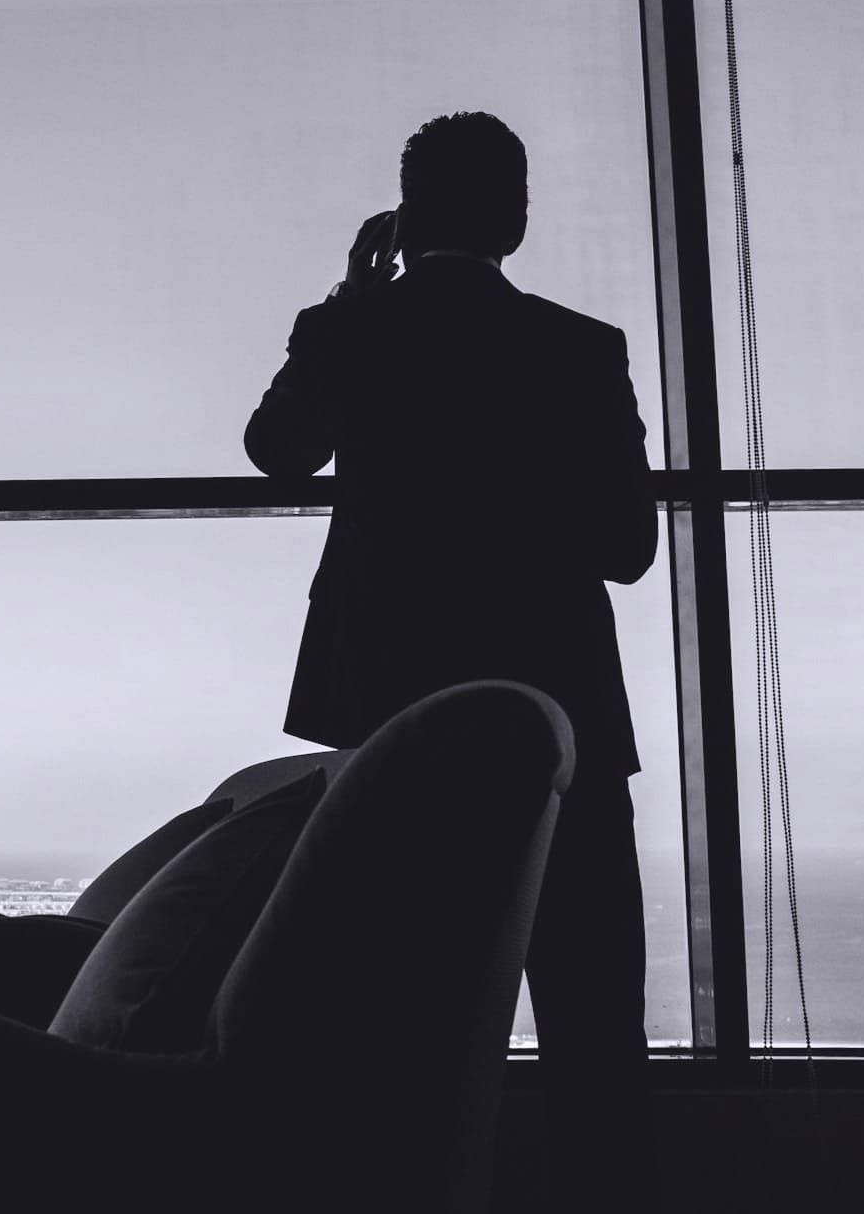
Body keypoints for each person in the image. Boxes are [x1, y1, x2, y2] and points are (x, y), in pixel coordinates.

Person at [244, 111, 659, 1210]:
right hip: (558, 719)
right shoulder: (583, 349)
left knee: (388, 1020)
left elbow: (275, 451)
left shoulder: (353, 334)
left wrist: (344, 299)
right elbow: (626, 550)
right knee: (590, 1020)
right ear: (516, 219)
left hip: (390, 724)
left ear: (403, 214)